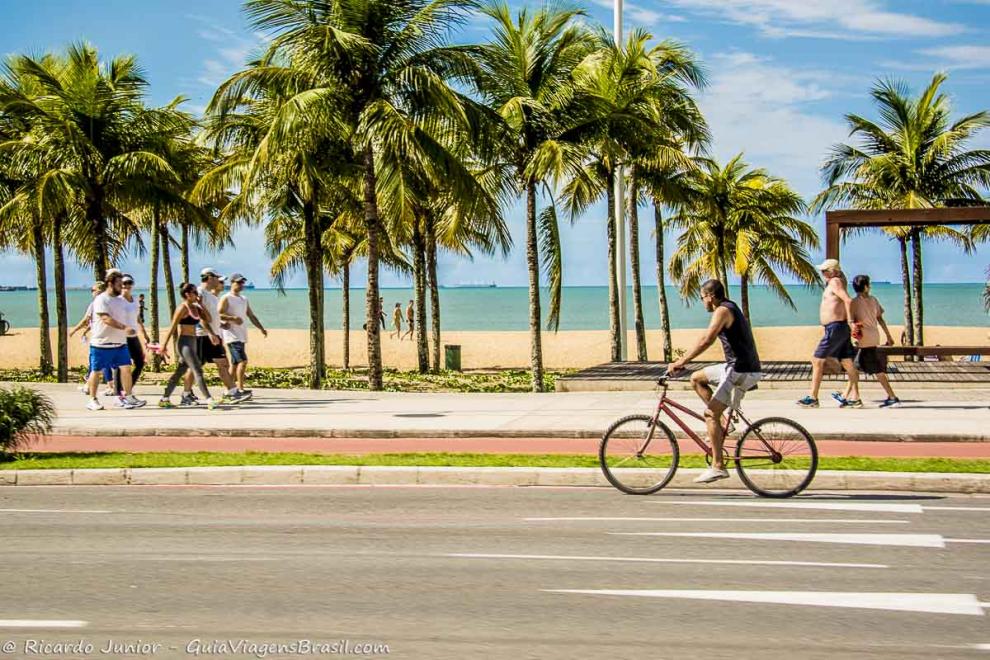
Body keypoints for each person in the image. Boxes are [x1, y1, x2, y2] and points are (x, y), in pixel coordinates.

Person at [669, 279, 762, 484]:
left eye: (702, 298)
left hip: (739, 369)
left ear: (710, 296)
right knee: (696, 379)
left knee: (710, 414)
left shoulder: (722, 311)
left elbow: (707, 339)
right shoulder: (729, 307)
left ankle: (718, 466)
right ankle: (722, 426)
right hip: (736, 366)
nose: (702, 302)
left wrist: (681, 361)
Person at [798, 259, 860, 408]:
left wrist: (851, 321)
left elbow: (848, 300)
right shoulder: (836, 282)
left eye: (825, 270)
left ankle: (813, 397)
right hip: (837, 327)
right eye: (822, 271)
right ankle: (856, 397)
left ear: (833, 271)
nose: (822, 273)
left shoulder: (835, 282)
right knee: (847, 362)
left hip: (835, 327)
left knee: (817, 360)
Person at [84, 271, 145, 410]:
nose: (122, 286)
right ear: (111, 283)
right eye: (119, 284)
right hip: (101, 343)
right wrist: (125, 327)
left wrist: (137, 330)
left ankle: (128, 397)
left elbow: (130, 314)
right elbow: (106, 318)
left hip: (120, 343)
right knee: (96, 371)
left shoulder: (120, 300)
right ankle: (92, 400)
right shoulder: (101, 299)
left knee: (126, 369)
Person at [185, 268, 245, 405]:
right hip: (203, 336)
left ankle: (232, 392)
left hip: (214, 335)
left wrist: (221, 325)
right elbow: (199, 316)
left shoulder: (212, 296)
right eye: (217, 278)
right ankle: (186, 394)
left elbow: (213, 316)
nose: (219, 281)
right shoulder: (199, 293)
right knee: (196, 367)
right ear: (209, 277)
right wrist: (211, 333)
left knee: (223, 363)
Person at [158, 283, 220, 410]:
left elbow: (208, 318)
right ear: (187, 294)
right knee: (198, 369)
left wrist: (201, 303)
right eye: (194, 292)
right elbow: (172, 326)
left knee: (180, 371)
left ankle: (164, 398)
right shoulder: (182, 308)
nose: (197, 294)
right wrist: (163, 345)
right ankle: (209, 400)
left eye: (197, 292)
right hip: (184, 342)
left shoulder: (196, 307)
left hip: (193, 341)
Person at [847, 274, 900, 408]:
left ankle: (856, 398)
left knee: (864, 369)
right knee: (856, 368)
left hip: (863, 339)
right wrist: (888, 336)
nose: (870, 286)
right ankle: (849, 396)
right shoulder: (874, 300)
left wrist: (852, 332)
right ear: (865, 287)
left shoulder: (853, 302)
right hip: (873, 337)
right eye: (869, 284)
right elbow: (880, 319)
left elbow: (851, 321)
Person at [219, 273, 267, 394]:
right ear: (232, 283)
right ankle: (240, 388)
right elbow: (218, 314)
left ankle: (229, 389)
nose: (241, 285)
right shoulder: (226, 297)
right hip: (231, 335)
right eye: (239, 282)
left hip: (241, 335)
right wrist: (233, 318)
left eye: (242, 283)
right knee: (243, 361)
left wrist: (261, 328)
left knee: (235, 364)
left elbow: (251, 315)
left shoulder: (244, 299)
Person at [110, 274, 150, 402]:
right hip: (122, 336)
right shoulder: (119, 301)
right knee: (120, 365)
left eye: (129, 283)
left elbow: (137, 318)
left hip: (133, 336)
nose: (127, 285)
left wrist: (144, 333)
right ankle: (118, 394)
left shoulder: (135, 300)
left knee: (140, 363)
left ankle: (126, 390)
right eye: (124, 283)